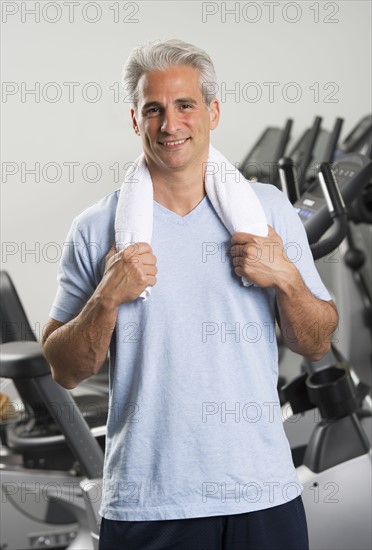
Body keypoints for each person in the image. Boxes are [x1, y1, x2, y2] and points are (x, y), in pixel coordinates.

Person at [42, 39, 338, 550]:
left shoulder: (268, 211)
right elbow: (64, 369)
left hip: (261, 494)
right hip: (149, 501)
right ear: (136, 121)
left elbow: (315, 343)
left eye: (185, 105)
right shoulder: (97, 228)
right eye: (152, 109)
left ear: (213, 112)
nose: (169, 124)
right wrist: (107, 297)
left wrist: (287, 277)